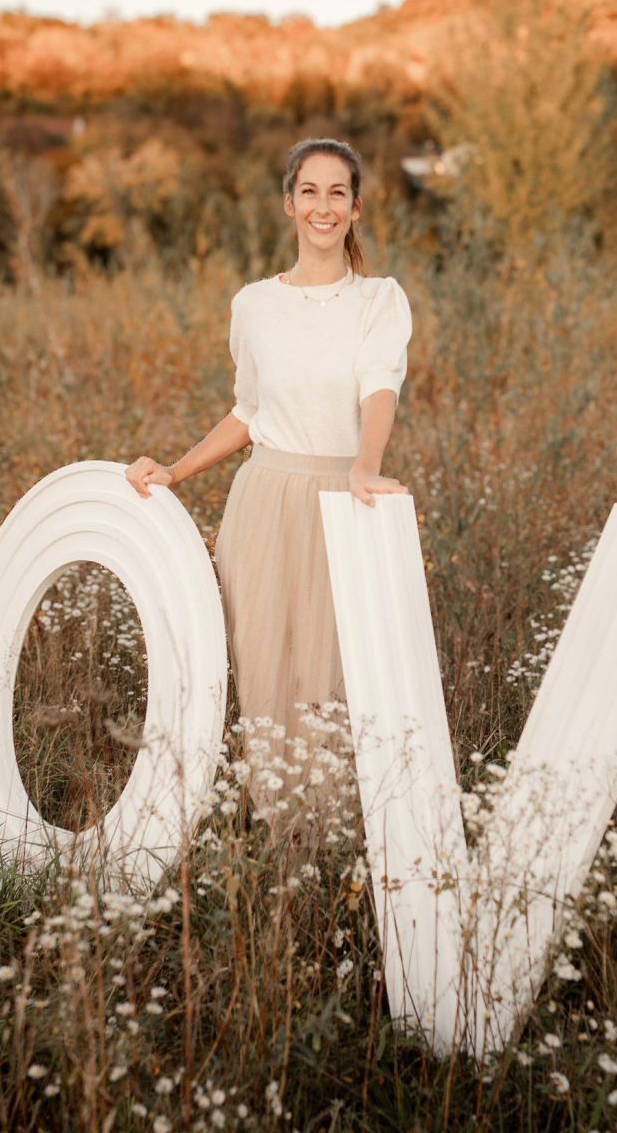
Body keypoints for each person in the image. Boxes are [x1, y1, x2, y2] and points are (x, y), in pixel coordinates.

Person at [125, 135, 412, 823]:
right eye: (308, 191)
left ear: (356, 207)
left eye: (336, 192)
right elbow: (248, 413)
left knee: (333, 670)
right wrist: (177, 471)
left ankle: (324, 836)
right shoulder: (253, 304)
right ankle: (265, 829)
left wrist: (364, 468)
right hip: (261, 499)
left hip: (341, 499)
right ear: (289, 204)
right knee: (257, 665)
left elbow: (380, 389)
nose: (323, 206)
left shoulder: (378, 299)